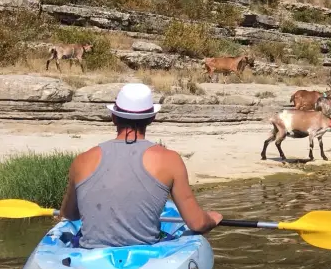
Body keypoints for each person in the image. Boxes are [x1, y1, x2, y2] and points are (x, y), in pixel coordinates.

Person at [59, 83, 222, 249]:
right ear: (152, 118)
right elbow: (197, 223)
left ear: (113, 117)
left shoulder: (82, 160)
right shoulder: (170, 160)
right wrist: (212, 218)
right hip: (145, 259)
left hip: (89, 257)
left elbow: (70, 214)